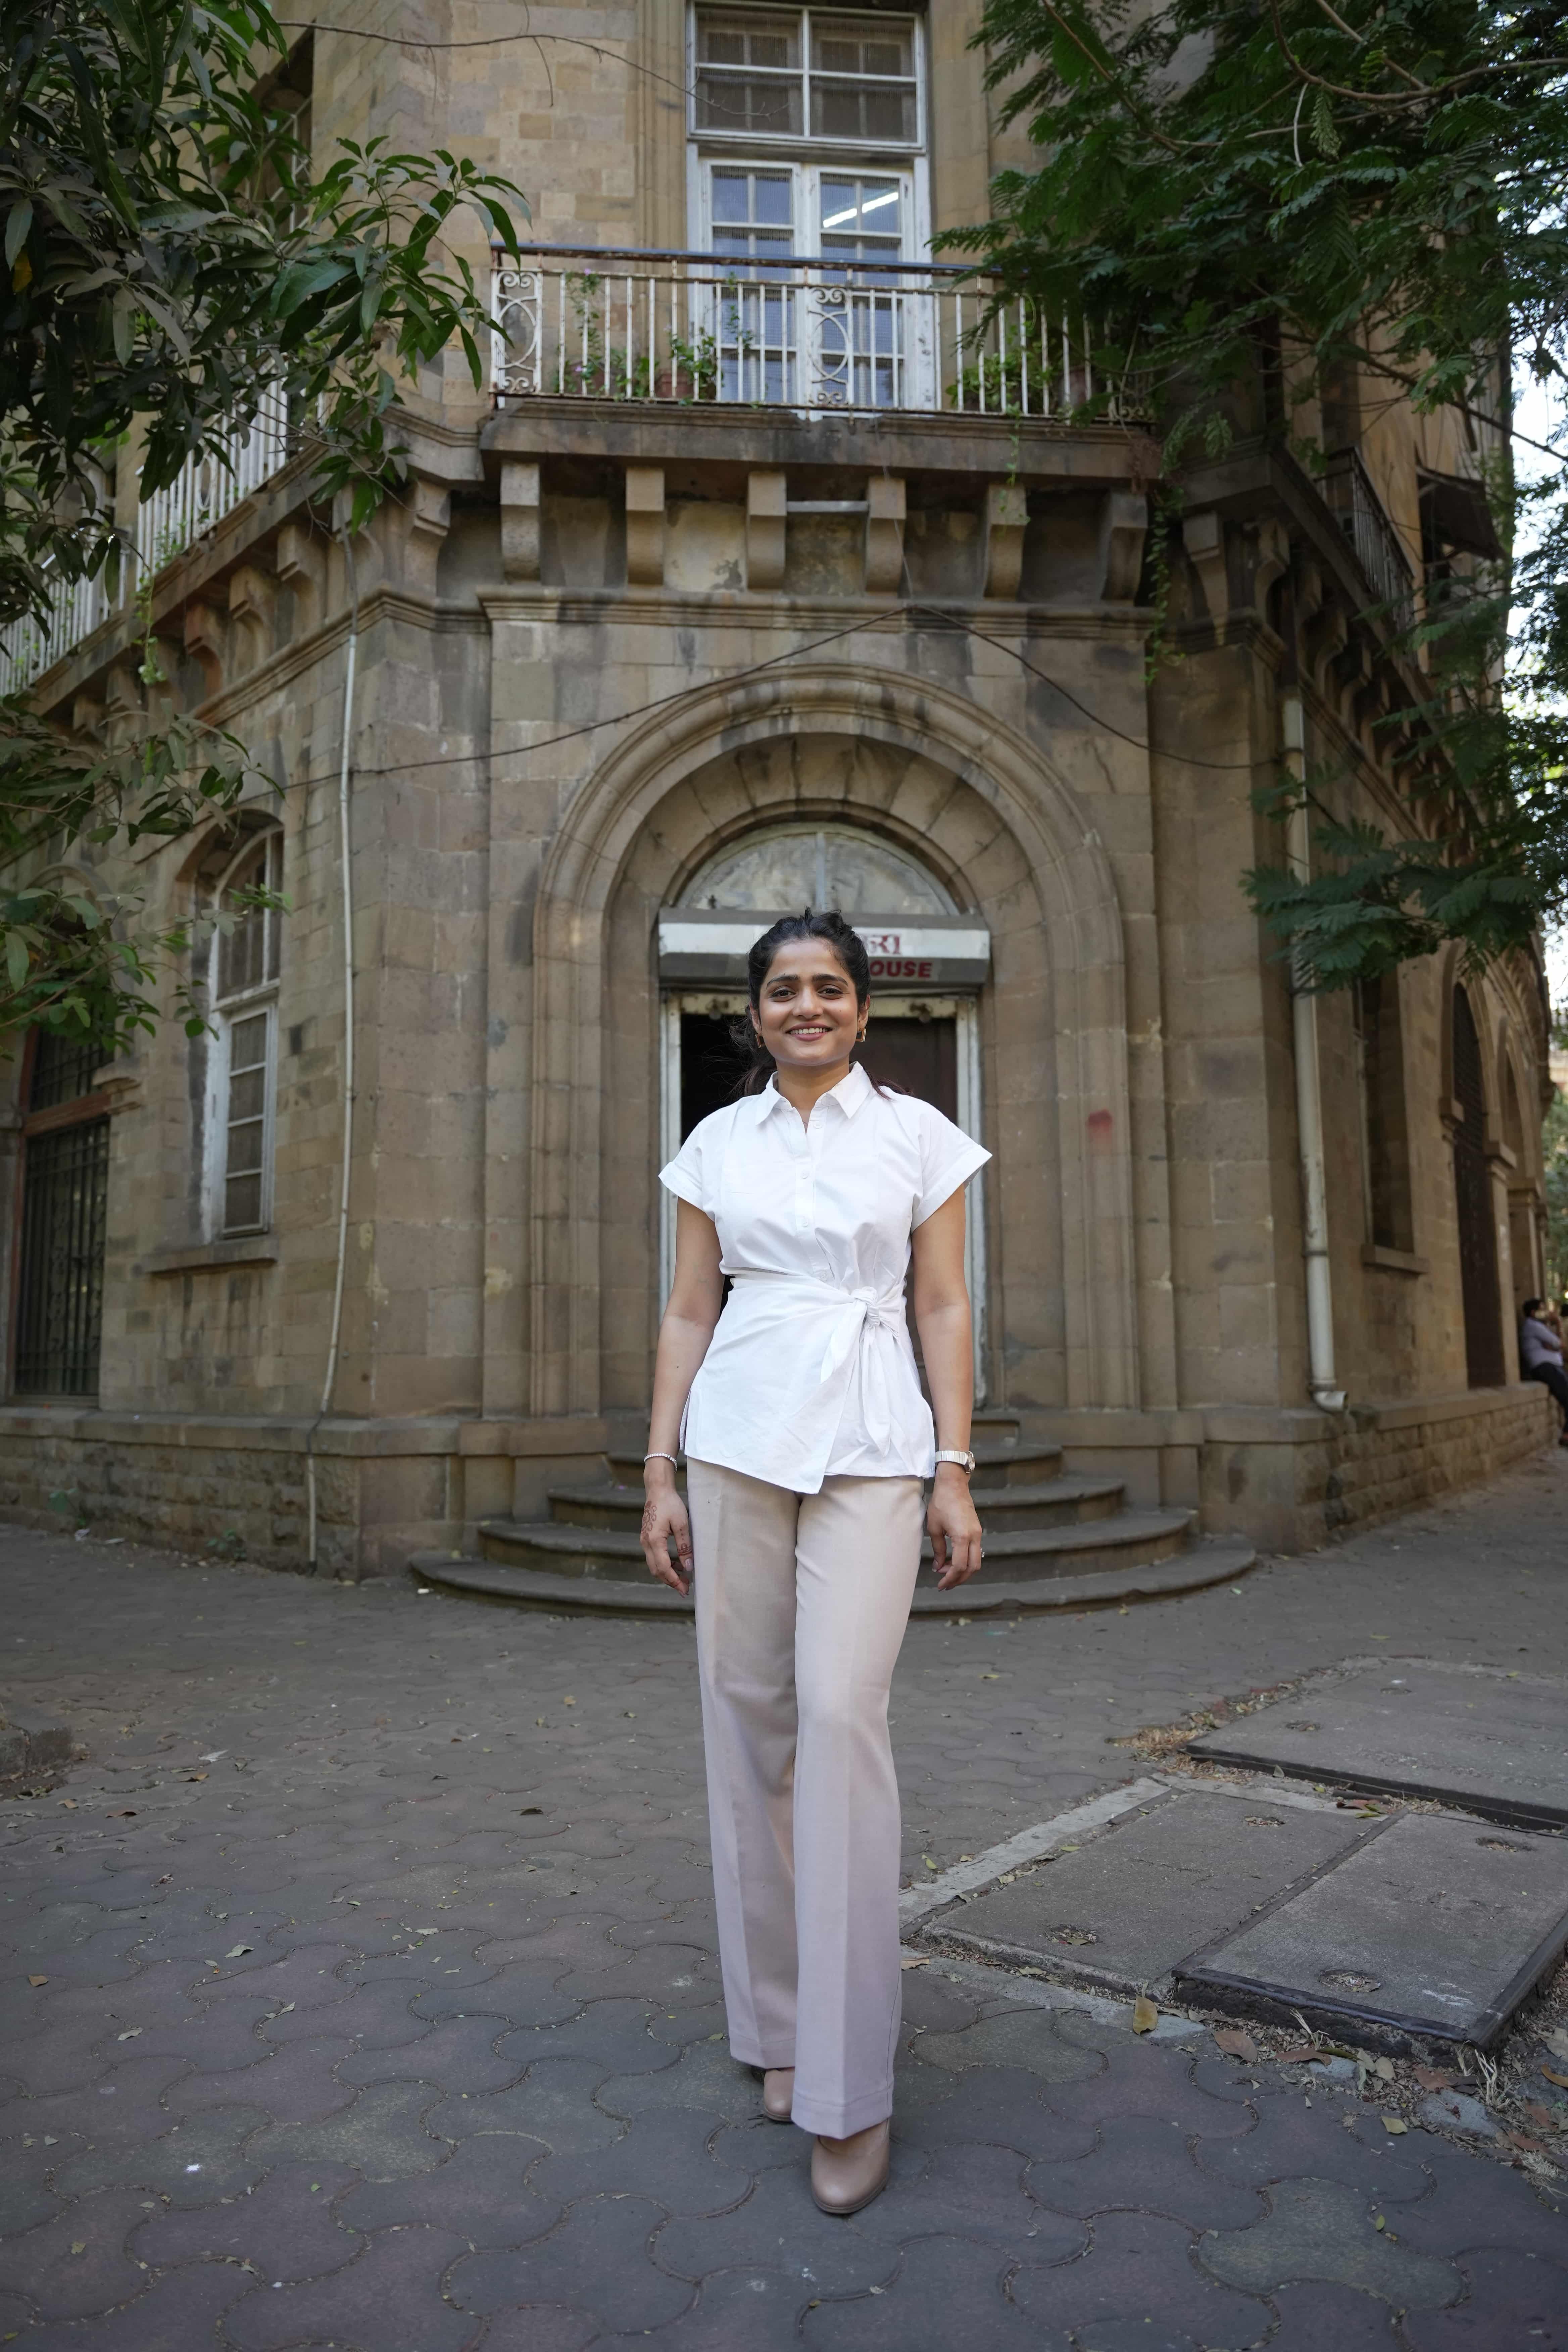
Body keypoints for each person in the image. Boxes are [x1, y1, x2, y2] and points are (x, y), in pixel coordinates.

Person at [640, 909, 989, 2217]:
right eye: (782, 989)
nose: (805, 1006)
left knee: (840, 1724)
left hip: (874, 1445)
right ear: (754, 1010)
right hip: (733, 1442)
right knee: (746, 1731)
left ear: (861, 1007)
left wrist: (955, 1470)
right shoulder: (714, 1143)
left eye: (828, 988)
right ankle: (777, 2029)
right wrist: (656, 1470)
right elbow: (689, 1305)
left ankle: (851, 2091)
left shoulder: (918, 1139)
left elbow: (941, 1303)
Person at [1519, 1297, 1568, 1446]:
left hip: (1552, 1366)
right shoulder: (1533, 1325)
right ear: (1534, 1313)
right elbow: (1558, 1343)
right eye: (1542, 1310)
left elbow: (1555, 1345)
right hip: (1545, 1367)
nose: (1546, 1313)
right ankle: (1566, 1436)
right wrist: (1558, 1323)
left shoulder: (1541, 1327)